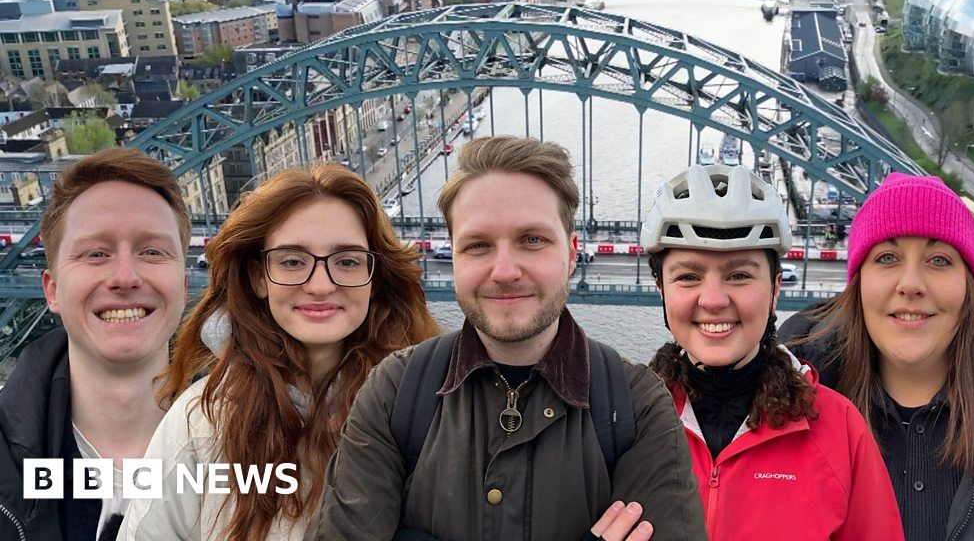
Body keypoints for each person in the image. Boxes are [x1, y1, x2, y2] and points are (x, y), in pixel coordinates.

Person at [307, 136, 708, 541]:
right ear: (455, 258)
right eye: (478, 245)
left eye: (532, 240)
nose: (504, 271)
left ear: (571, 254)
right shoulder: (394, 391)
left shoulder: (636, 406)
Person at [117, 164, 441, 540]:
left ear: (376, 277)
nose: (320, 285)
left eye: (347, 261)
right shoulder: (197, 424)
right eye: (292, 261)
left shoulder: (430, 409)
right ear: (258, 278)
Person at [642, 164, 904, 540]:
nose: (714, 300)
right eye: (688, 277)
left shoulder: (839, 430)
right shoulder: (626, 422)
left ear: (775, 288)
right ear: (660, 289)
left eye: (739, 275)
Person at [779, 172, 974, 540]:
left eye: (939, 260)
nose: (910, 284)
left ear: (970, 287)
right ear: (858, 283)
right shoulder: (781, 411)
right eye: (887, 257)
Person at [0, 149, 191, 540]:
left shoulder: (276, 443)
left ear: (184, 288)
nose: (125, 276)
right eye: (95, 254)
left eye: (152, 251)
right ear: (52, 291)